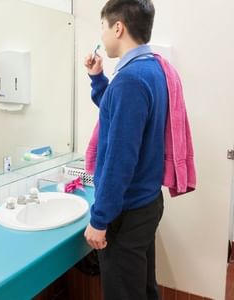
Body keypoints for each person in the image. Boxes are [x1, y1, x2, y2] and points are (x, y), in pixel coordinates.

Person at [83, 0, 167, 299]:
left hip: (127, 210)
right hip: (147, 200)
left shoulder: (130, 79)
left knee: (124, 293)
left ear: (118, 27)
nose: (102, 35)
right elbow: (119, 115)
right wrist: (97, 79)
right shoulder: (152, 68)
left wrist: (100, 218)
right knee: (142, 288)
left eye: (103, 27)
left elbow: (120, 160)